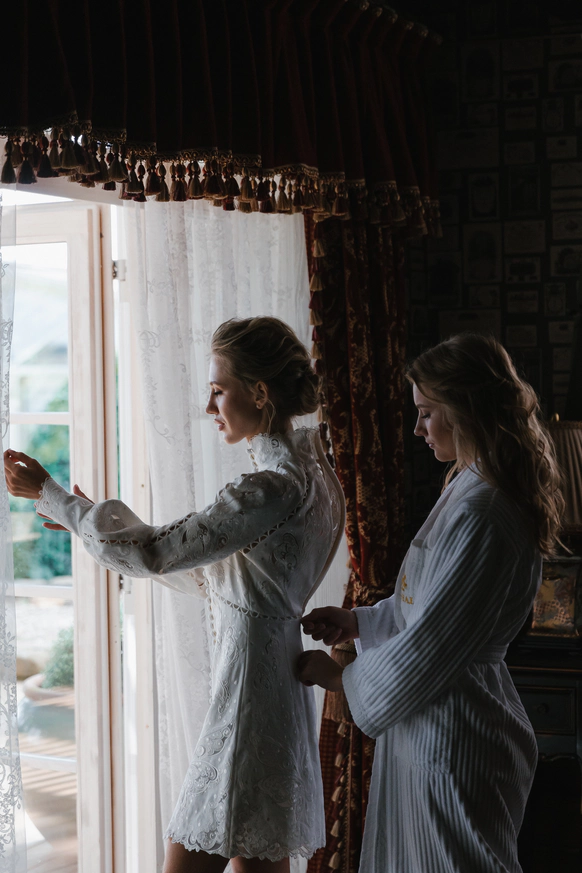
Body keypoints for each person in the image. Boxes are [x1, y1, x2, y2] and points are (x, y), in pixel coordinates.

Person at [5, 316, 346, 873]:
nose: (209, 407)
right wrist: (82, 521)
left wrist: (55, 498)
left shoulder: (270, 488)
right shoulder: (314, 474)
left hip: (247, 702)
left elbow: (153, 553)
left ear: (260, 393)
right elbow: (218, 576)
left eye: (218, 390)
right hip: (276, 693)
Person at [298, 333, 563, 873]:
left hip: (457, 734)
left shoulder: (485, 510)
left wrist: (341, 680)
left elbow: (435, 640)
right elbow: (429, 604)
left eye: (426, 413)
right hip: (436, 722)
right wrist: (358, 621)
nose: (417, 428)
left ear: (465, 410)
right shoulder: (470, 485)